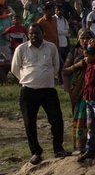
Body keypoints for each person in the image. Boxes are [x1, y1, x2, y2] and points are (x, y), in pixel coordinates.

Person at [8, 23, 66, 164]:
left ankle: (58, 149)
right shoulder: (21, 49)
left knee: (56, 119)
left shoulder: (51, 47)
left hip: (48, 89)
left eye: (37, 33)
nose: (34, 36)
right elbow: (15, 69)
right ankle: (36, 152)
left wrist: (46, 77)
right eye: (31, 33)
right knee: (30, 123)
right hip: (28, 90)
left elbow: (56, 66)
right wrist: (27, 78)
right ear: (28, 34)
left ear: (43, 33)